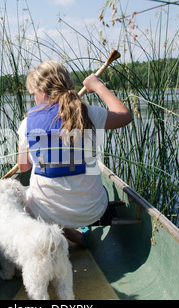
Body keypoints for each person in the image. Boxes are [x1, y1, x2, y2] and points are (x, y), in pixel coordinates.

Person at [17, 61, 132, 246]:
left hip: (45, 213)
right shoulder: (89, 114)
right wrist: (97, 86)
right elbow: (125, 115)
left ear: (43, 93)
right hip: (93, 210)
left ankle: (73, 235)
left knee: (24, 197)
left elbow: (23, 166)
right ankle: (78, 236)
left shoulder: (27, 123)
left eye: (34, 94)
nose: (34, 99)